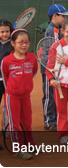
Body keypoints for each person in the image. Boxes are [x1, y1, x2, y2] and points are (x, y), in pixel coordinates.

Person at [1, 29, 38, 160]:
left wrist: (25, 87)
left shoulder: (32, 58)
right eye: (20, 42)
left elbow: (33, 72)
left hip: (26, 96)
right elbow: (5, 79)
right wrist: (11, 92)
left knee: (27, 122)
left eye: (27, 42)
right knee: (14, 123)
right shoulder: (6, 61)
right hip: (12, 96)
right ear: (13, 43)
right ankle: (18, 149)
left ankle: (29, 144)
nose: (24, 45)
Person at [41, 4, 68, 131]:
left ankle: (56, 119)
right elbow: (54, 51)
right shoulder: (52, 30)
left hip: (56, 67)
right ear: (55, 16)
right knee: (49, 96)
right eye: (63, 16)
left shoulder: (58, 29)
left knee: (56, 94)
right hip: (49, 68)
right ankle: (49, 122)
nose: (65, 19)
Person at [0, 19, 14, 151]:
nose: (5, 34)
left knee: (8, 107)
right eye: (2, 32)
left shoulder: (13, 44)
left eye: (7, 31)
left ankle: (9, 133)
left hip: (9, 81)